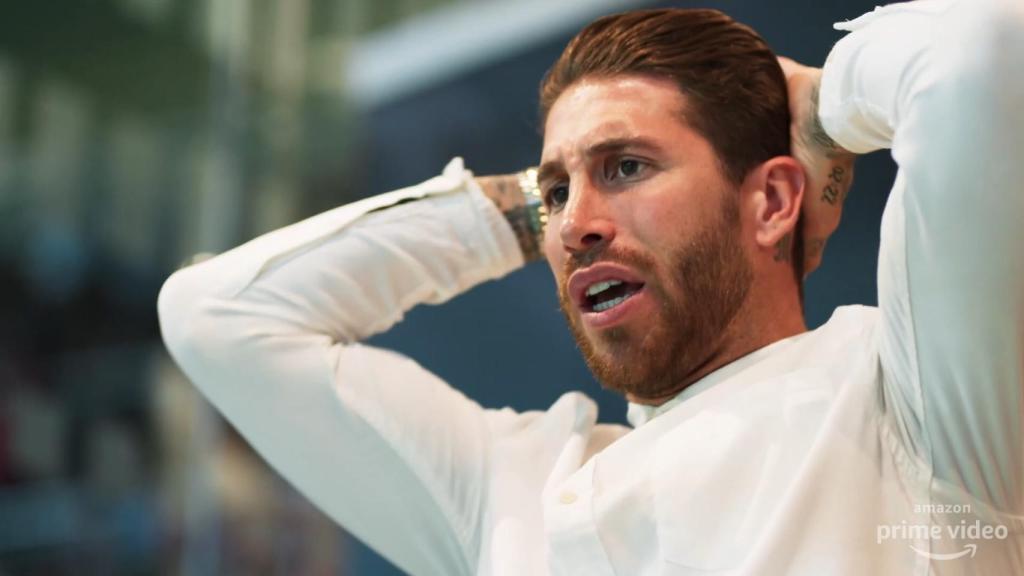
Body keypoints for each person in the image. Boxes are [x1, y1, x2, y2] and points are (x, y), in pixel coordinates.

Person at [157, 0, 1024, 574]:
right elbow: (218, 317)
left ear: (769, 201)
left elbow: (981, 55)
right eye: (557, 189)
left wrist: (824, 111)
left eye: (628, 165)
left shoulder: (908, 403)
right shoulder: (510, 490)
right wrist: (519, 209)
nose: (573, 225)